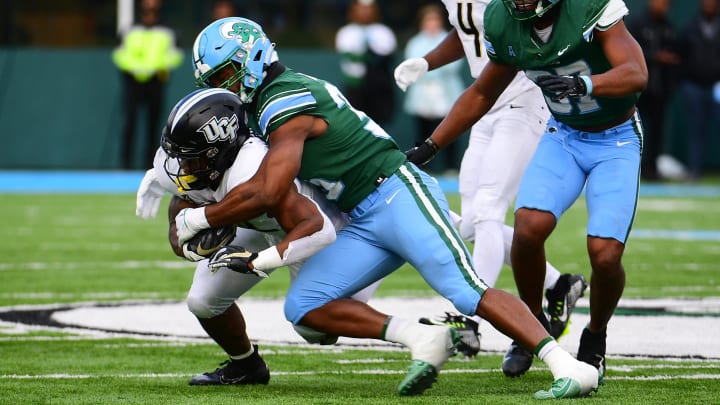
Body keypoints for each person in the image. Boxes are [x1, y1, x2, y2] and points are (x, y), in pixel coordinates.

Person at [177, 17, 600, 398]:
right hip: (359, 217)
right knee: (304, 308)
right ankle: (420, 337)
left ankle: (567, 365)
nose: (227, 84)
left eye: (229, 72)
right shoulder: (266, 100)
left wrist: (199, 218)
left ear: (253, 57)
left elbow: (270, 189)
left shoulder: (282, 98)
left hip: (396, 195)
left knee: (468, 291)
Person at [405, 0, 647, 383]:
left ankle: (595, 336)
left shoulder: (588, 7)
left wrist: (586, 83)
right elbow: (482, 92)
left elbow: (636, 73)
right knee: (528, 227)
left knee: (604, 255)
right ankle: (530, 329)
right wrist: (430, 146)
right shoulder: (503, 18)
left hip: (614, 139)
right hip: (564, 134)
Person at [136, 87, 380, 385]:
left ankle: (415, 326)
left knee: (317, 329)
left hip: (313, 232)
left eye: (192, 159)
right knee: (203, 301)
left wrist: (257, 261)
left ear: (219, 149)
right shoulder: (181, 164)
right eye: (179, 158)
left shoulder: (251, 168)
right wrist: (182, 244)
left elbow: (318, 228)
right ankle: (247, 367)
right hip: (256, 225)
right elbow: (179, 207)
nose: (181, 168)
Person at [394, 0, 588, 368]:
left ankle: (470, 320)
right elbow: (469, 29)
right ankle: (559, 284)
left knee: (487, 212)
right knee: (471, 224)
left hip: (523, 98)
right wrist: (428, 61)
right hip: (486, 103)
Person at [112, 0, 183, 169]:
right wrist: (136, 70)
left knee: (154, 126)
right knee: (130, 124)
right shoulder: (129, 30)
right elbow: (120, 54)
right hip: (133, 83)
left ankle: (151, 165)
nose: (150, 5)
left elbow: (175, 55)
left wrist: (157, 69)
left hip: (156, 83)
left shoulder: (168, 31)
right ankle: (125, 165)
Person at [400, 4, 465, 174]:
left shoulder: (448, 39)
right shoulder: (415, 42)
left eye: (435, 19)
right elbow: (413, 64)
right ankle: (422, 167)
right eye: (429, 20)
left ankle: (451, 167)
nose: (432, 23)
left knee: (449, 128)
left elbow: (454, 64)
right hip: (422, 94)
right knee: (424, 130)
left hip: (446, 92)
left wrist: (431, 67)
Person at [626, 0, 680, 181]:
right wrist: (655, 57)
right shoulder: (637, 23)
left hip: (660, 89)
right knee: (633, 130)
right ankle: (632, 168)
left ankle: (651, 169)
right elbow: (629, 53)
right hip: (639, 90)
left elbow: (676, 56)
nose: (662, 6)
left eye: (666, 3)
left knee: (657, 132)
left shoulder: (669, 27)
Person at [676, 0, 720, 181]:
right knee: (696, 132)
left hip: (718, 87)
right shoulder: (691, 28)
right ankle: (694, 171)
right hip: (694, 86)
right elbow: (681, 56)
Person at [335, 0, 397, 126]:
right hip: (355, 87)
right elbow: (348, 56)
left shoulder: (384, 32)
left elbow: (387, 55)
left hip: (378, 88)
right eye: (361, 8)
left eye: (368, 8)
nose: (364, 12)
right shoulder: (346, 32)